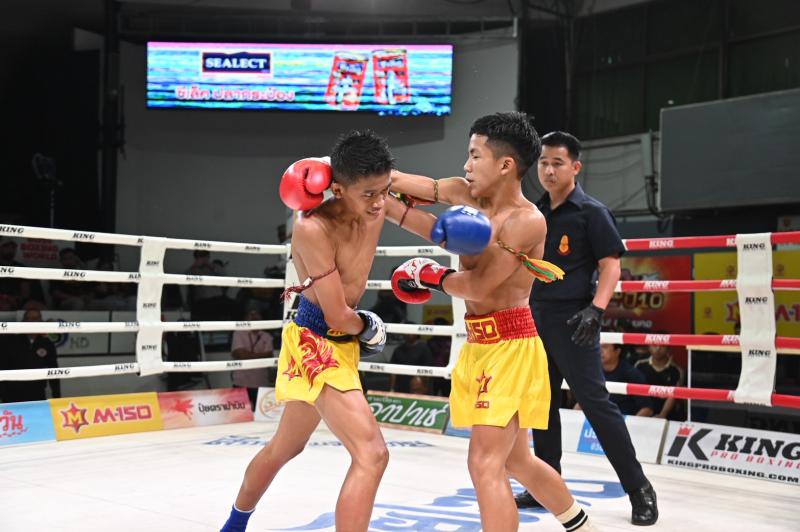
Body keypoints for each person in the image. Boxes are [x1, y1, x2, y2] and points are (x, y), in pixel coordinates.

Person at [389, 112, 599, 532]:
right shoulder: (463, 193)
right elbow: (402, 185)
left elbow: (479, 286)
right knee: (517, 461)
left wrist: (430, 275)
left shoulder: (526, 221)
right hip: (480, 345)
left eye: (475, 155)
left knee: (485, 463)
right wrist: (355, 180)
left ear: (505, 164)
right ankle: (583, 526)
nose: (466, 165)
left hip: (510, 348)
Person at [221, 130, 433, 532]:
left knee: (286, 447)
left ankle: (232, 527)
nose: (379, 202)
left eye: (384, 191)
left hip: (339, 340)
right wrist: (368, 327)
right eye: (368, 194)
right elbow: (336, 315)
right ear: (337, 189)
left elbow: (435, 228)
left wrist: (479, 231)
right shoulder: (312, 227)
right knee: (372, 454)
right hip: (316, 342)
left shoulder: (376, 199)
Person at [515, 131, 658, 525]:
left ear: (575, 167)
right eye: (544, 162)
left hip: (576, 320)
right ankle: (545, 487)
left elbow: (610, 265)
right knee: (541, 405)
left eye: (557, 163)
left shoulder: (592, 212)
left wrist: (596, 310)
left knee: (596, 404)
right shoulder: (535, 212)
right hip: (534, 316)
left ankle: (639, 488)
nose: (548, 170)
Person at [575, 342, 653, 417]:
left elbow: (647, 409)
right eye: (598, 346)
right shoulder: (592, 372)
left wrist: (628, 424)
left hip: (623, 420)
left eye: (604, 347)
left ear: (617, 351)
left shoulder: (632, 374)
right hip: (597, 420)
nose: (600, 350)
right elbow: (582, 402)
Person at [0, 308, 61, 403]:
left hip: (37, 394)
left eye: (35, 318)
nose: (31, 321)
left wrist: (57, 397)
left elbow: (53, 371)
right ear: (23, 321)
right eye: (28, 318)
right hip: (12, 395)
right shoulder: (10, 341)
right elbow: (3, 367)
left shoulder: (47, 344)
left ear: (41, 322)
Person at [230, 308, 275, 409]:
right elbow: (239, 354)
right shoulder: (238, 333)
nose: (254, 317)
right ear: (245, 318)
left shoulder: (266, 336)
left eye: (257, 314)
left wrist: (248, 354)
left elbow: (269, 355)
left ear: (262, 318)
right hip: (241, 381)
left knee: (261, 413)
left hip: (261, 381)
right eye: (251, 314)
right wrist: (261, 356)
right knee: (239, 413)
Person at [635, 341, 685, 420]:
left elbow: (673, 396)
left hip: (668, 417)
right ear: (649, 347)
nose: (658, 349)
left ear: (668, 348)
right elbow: (636, 391)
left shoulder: (677, 370)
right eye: (654, 345)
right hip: (642, 412)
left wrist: (662, 415)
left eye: (662, 345)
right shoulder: (639, 365)